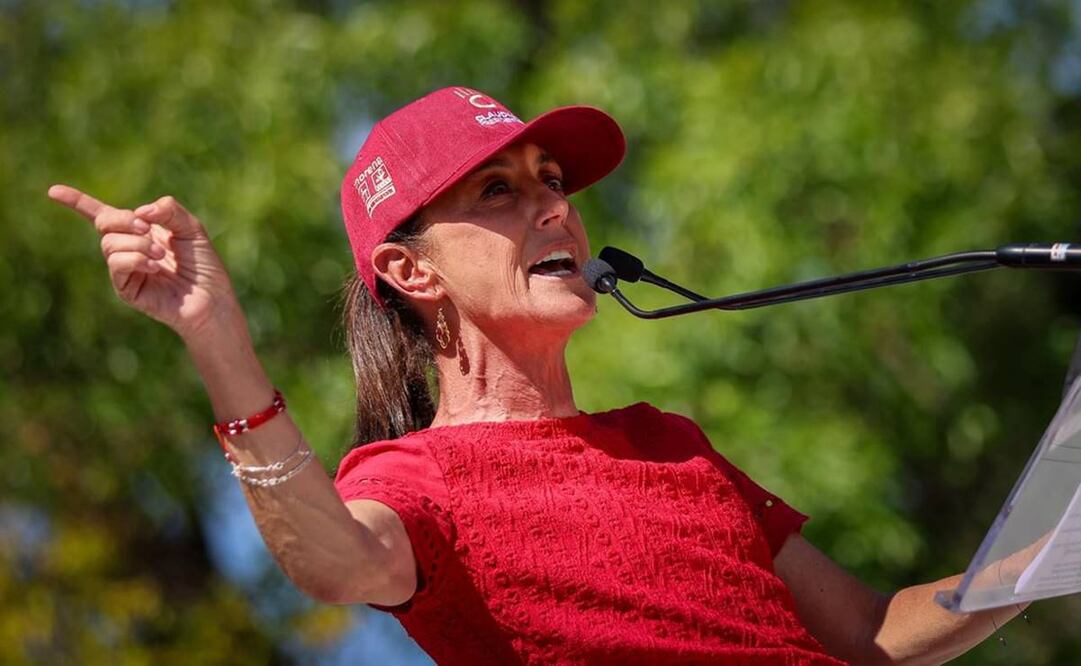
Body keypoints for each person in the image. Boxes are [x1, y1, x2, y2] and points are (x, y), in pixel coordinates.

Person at [50, 87, 1028, 665]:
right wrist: (215, 335)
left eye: (553, 182)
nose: (555, 209)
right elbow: (336, 563)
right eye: (499, 192)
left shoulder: (669, 444)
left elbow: (870, 634)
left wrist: (1047, 549)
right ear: (409, 270)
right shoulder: (407, 483)